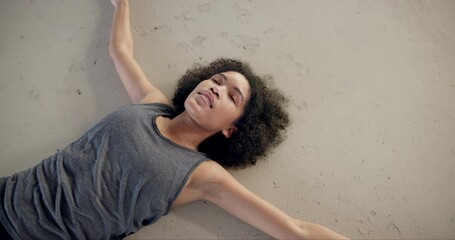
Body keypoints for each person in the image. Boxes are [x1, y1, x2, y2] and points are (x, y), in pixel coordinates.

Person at [0, 0, 349, 239]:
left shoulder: (202, 174)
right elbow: (120, 51)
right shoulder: (153, 103)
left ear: (232, 129)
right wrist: (122, 4)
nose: (217, 88)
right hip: (6, 196)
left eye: (232, 96)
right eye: (217, 79)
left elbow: (296, 230)